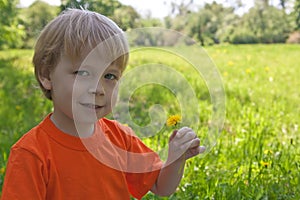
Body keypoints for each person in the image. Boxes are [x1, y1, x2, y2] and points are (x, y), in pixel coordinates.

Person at [1, 8, 205, 200]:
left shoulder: (120, 139)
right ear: (46, 75)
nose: (98, 88)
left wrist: (176, 159)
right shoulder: (31, 154)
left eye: (109, 76)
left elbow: (162, 186)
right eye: (83, 73)